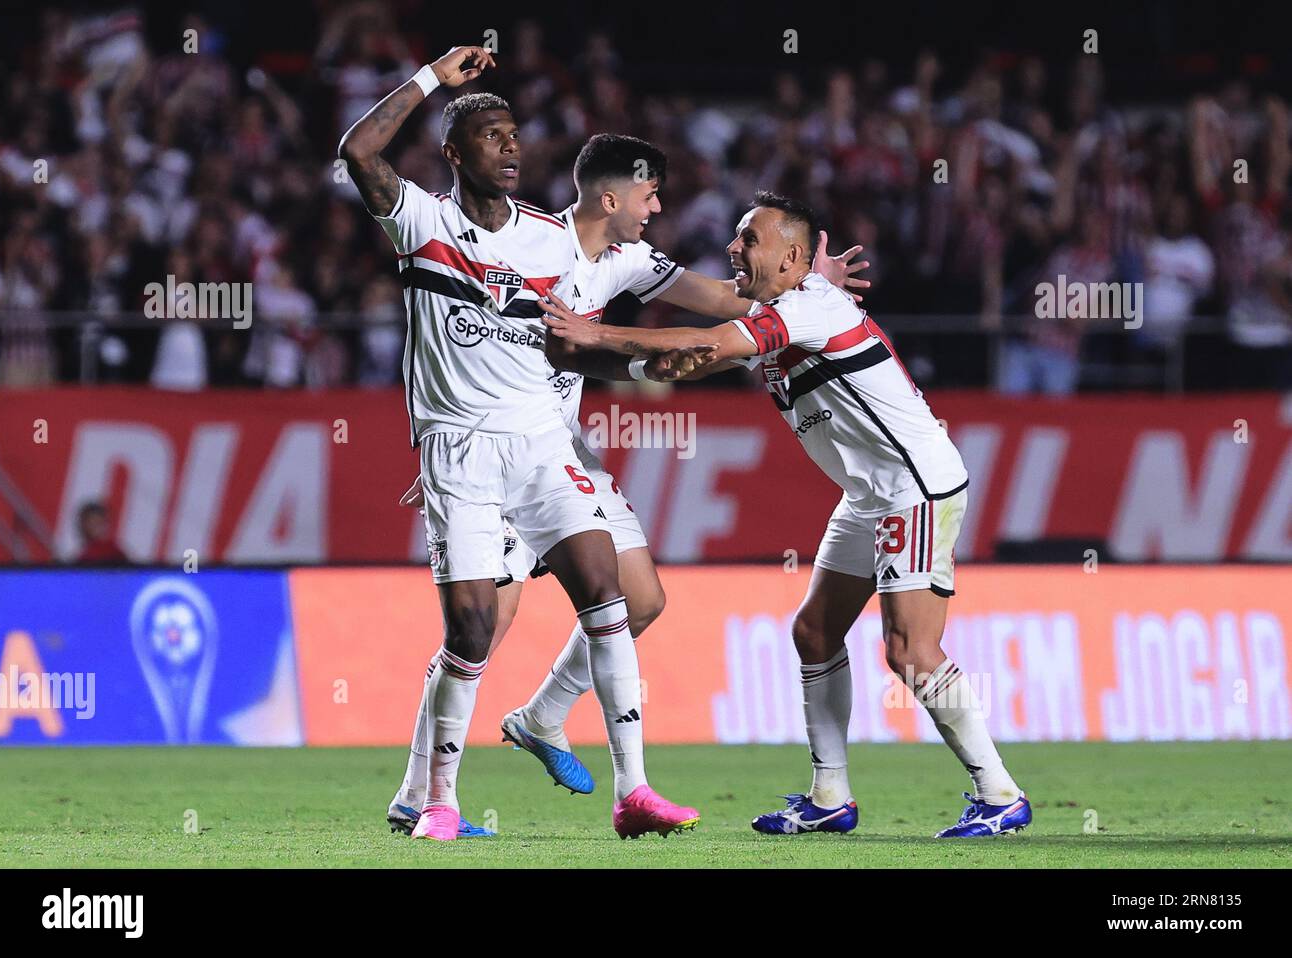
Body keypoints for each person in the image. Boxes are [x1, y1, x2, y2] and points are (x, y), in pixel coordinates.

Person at [387, 133, 869, 834]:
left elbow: (725, 301)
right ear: (609, 198)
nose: (658, 207)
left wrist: (809, 285)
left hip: (558, 459)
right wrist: (444, 450)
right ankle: (419, 791)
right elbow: (449, 335)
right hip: (498, 457)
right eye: (649, 194)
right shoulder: (523, 245)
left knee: (638, 597)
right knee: (481, 630)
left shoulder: (628, 262)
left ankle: (544, 719)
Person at [542, 191, 1031, 838]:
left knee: (912, 650)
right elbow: (702, 341)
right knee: (815, 636)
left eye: (750, 240)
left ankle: (999, 793)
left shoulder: (808, 308)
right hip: (869, 493)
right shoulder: (789, 304)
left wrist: (597, 333)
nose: (733, 248)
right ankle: (830, 794)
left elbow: (713, 339)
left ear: (792, 256)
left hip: (913, 486)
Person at [338, 45, 699, 841]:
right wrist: (434, 79)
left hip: (541, 444)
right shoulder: (420, 221)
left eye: (514, 135)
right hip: (460, 452)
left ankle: (633, 790)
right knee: (471, 630)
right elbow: (358, 151)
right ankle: (435, 799)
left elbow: (570, 341)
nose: (509, 147)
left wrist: (647, 357)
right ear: (454, 152)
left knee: (608, 589)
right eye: (491, 135)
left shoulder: (552, 241)